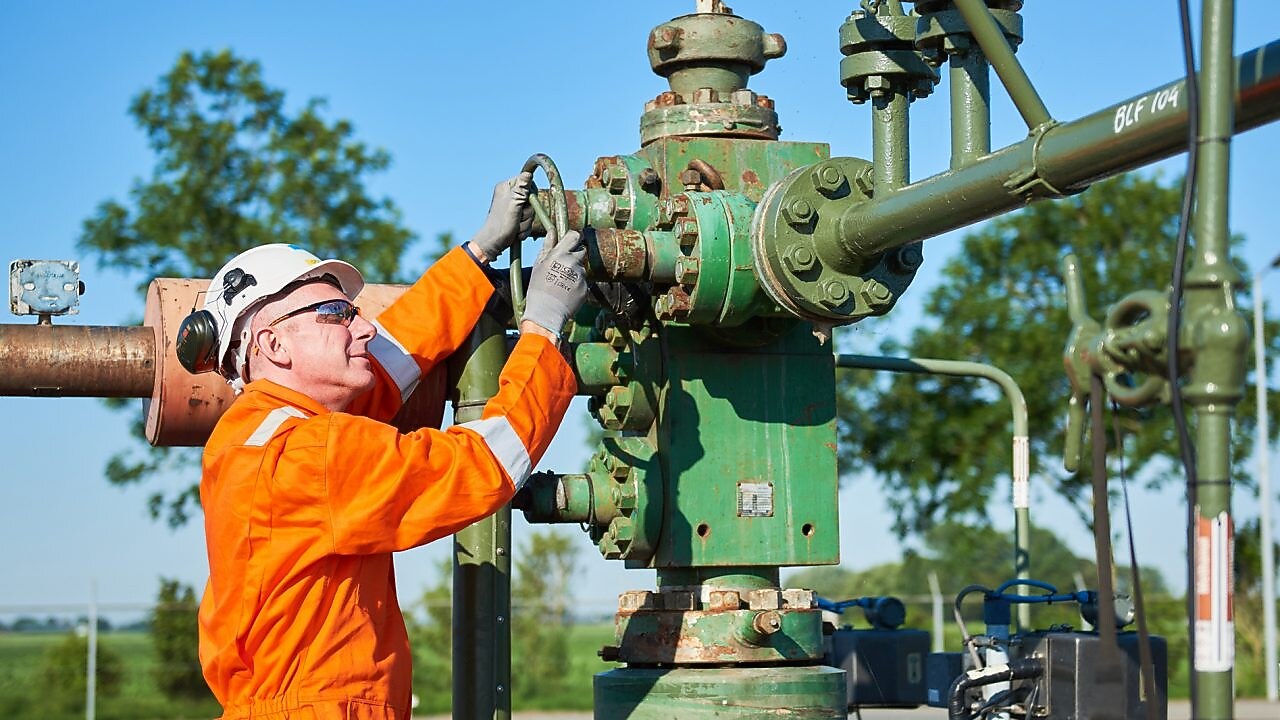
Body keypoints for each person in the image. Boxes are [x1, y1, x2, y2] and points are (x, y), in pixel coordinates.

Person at [190, 173, 586, 720]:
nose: (364, 328)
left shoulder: (253, 436)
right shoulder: (311, 454)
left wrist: (479, 252)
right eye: (337, 315)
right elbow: (477, 464)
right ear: (273, 343)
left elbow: (392, 357)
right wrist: (543, 327)